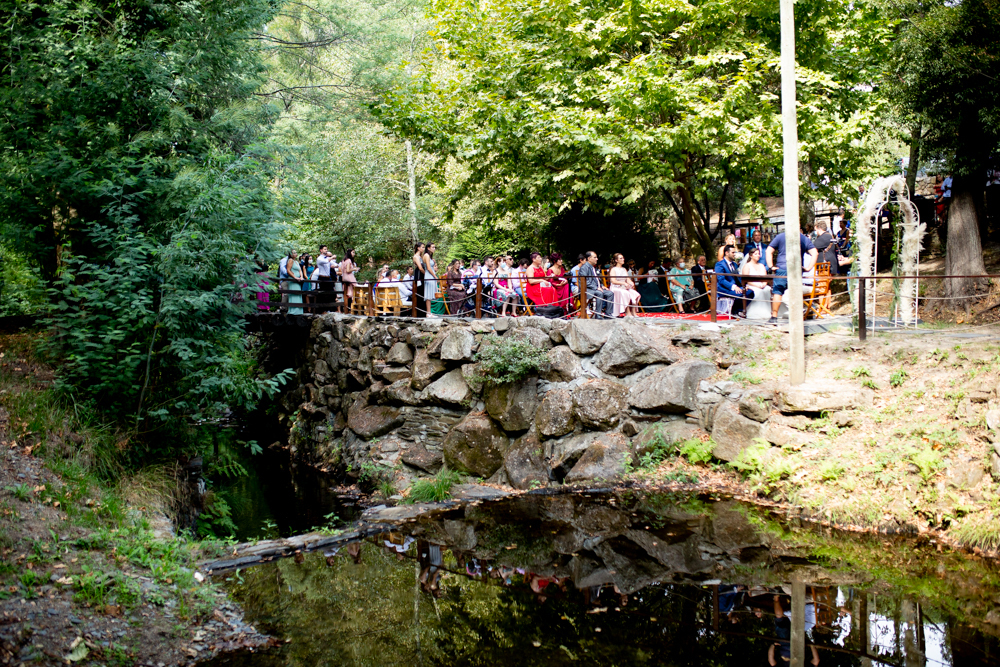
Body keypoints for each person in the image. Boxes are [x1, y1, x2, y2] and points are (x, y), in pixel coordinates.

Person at [765, 227, 818, 325]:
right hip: (797, 269)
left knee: (777, 292)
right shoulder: (803, 238)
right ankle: (797, 315)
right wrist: (808, 268)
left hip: (782, 268)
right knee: (795, 291)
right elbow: (815, 253)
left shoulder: (780, 236)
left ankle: (774, 317)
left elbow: (769, 251)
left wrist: (771, 266)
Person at [714, 245, 753, 317]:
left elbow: (738, 278)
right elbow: (721, 280)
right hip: (724, 289)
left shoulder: (734, 264)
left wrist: (744, 286)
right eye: (733, 252)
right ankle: (735, 311)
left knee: (750, 292)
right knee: (741, 294)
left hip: (736, 288)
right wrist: (734, 287)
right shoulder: (719, 264)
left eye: (734, 252)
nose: (734, 254)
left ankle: (737, 310)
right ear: (726, 253)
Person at [580, 251, 615, 318]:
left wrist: (602, 286)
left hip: (595, 288)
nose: (597, 259)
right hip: (587, 289)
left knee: (610, 293)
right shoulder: (584, 268)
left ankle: (608, 314)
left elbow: (596, 280)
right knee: (599, 293)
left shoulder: (593, 267)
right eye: (595, 257)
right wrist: (596, 288)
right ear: (589, 258)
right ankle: (598, 314)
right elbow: (585, 282)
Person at [316, 245, 334, 311]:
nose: (326, 250)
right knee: (323, 294)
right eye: (324, 249)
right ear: (321, 250)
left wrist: (336, 266)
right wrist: (332, 257)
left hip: (328, 278)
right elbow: (326, 261)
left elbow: (333, 264)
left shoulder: (326, 258)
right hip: (322, 277)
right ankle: (322, 310)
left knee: (331, 293)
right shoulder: (319, 258)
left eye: (326, 249)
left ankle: (330, 309)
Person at [286, 251, 304, 315]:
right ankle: (293, 310)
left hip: (298, 280)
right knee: (294, 294)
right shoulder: (290, 260)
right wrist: (295, 277)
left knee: (298, 293)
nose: (295, 254)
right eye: (294, 253)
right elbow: (288, 270)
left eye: (296, 252)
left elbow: (300, 270)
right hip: (293, 280)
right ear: (291, 254)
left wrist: (301, 277)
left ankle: (299, 310)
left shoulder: (296, 262)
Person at [411, 242, 427, 317]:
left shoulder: (421, 256)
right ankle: (419, 312)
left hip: (422, 274)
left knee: (423, 292)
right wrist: (426, 274)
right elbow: (420, 268)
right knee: (419, 292)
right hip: (419, 275)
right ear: (418, 248)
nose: (423, 249)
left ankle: (424, 311)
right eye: (422, 247)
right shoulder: (416, 257)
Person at [422, 243, 438, 317]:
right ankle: (428, 313)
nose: (434, 248)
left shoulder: (430, 257)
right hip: (429, 275)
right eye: (433, 247)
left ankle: (429, 312)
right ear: (428, 248)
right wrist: (435, 276)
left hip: (431, 275)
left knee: (431, 293)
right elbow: (428, 268)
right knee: (428, 294)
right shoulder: (426, 255)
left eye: (434, 247)